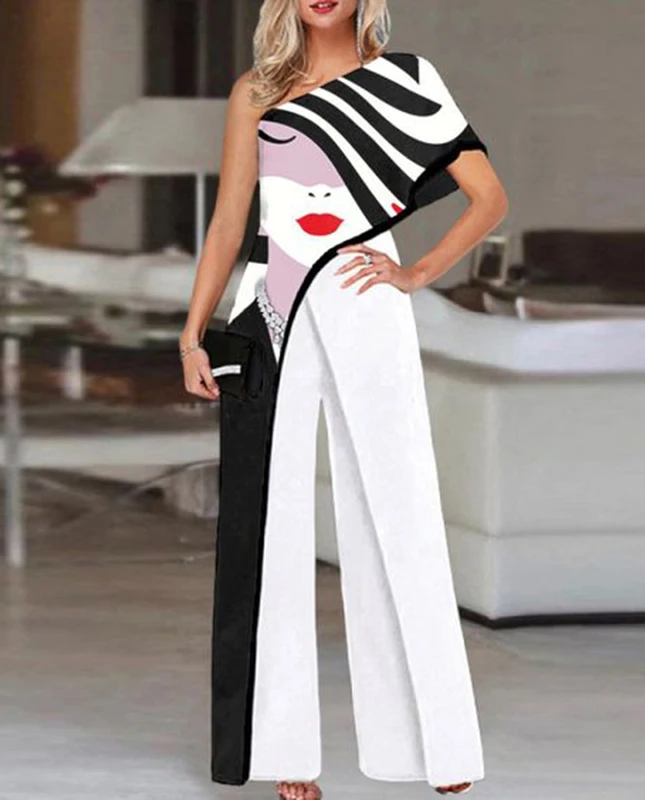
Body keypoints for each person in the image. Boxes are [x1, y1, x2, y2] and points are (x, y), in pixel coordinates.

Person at [179, 1, 508, 798]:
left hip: (367, 300)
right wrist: (192, 335)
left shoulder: (407, 81)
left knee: (399, 505)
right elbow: (228, 224)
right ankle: (284, 751)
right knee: (267, 521)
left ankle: (435, 747)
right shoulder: (256, 90)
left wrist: (416, 272)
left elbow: (489, 198)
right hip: (268, 311)